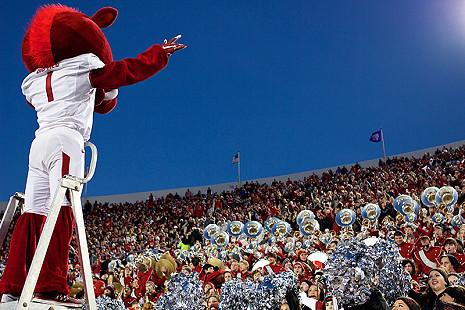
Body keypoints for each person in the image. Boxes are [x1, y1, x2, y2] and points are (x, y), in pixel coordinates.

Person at [0, 4, 185, 308]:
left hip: (39, 143)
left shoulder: (33, 80)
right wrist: (159, 53)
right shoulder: (82, 66)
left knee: (33, 214)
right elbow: (126, 70)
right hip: (66, 140)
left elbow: (60, 95)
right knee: (63, 211)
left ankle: (12, 285)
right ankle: (49, 285)